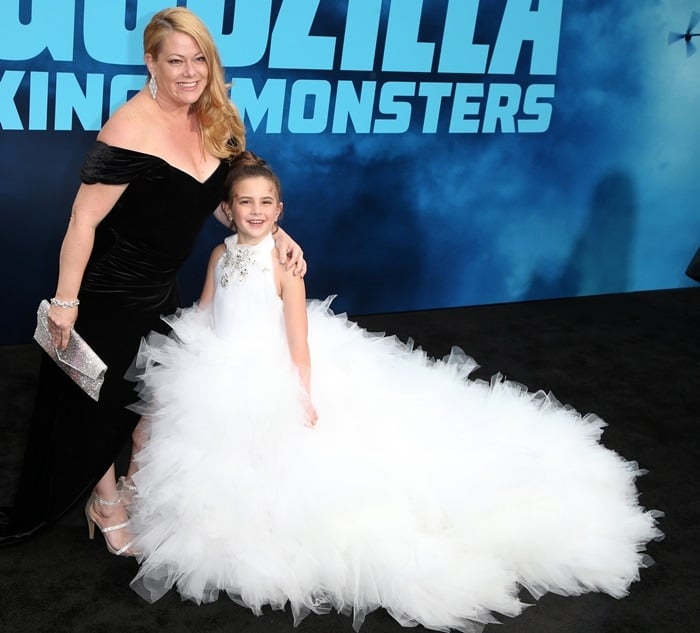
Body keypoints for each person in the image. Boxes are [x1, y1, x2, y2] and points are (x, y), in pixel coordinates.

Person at [126, 152, 662, 632]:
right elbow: (203, 309)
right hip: (220, 364)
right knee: (204, 451)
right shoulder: (221, 255)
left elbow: (298, 340)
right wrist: (184, 356)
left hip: (271, 369)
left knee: (284, 457)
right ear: (229, 207)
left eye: (266, 202)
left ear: (281, 209)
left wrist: (302, 393)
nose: (256, 211)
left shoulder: (285, 267)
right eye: (245, 203)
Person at [0, 7, 305, 554]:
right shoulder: (129, 126)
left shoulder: (214, 114)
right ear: (151, 63)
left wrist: (274, 233)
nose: (189, 73)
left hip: (162, 287)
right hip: (108, 291)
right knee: (92, 402)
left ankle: (136, 486)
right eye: (175, 61)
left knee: (150, 400)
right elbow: (83, 220)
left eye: (199, 61)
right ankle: (106, 500)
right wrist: (65, 302)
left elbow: (214, 197)